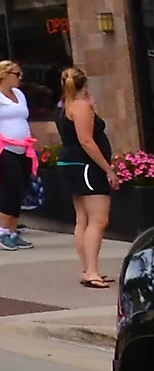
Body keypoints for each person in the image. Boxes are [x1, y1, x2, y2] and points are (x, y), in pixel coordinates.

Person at [55, 65, 119, 288]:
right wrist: (108, 169)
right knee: (98, 219)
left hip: (71, 163)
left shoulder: (64, 106)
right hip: (85, 166)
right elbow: (87, 140)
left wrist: (93, 107)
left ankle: (89, 268)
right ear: (85, 84)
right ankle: (91, 270)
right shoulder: (80, 106)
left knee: (83, 218)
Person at [0, 58, 38, 250]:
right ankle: (2, 230)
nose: (20, 78)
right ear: (5, 75)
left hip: (22, 147)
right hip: (1, 147)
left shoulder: (18, 94)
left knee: (21, 188)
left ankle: (12, 231)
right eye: (17, 74)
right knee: (11, 186)